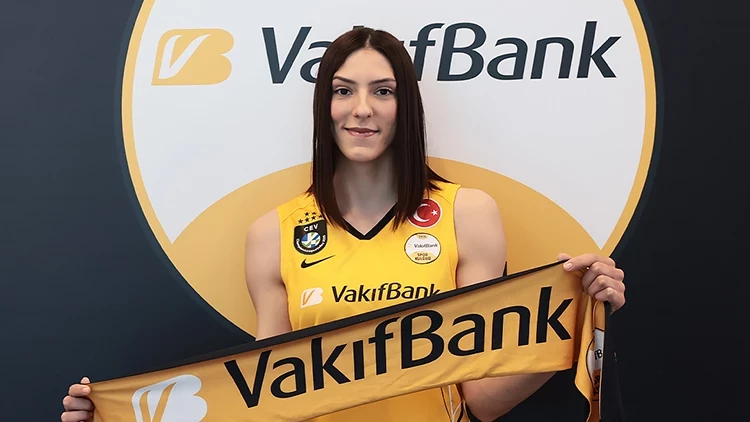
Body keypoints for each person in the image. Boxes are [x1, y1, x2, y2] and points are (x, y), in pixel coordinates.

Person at [61, 27, 626, 422]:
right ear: (324, 106)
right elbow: (267, 401)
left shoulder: (467, 213)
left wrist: (573, 318)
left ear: (405, 107)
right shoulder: (273, 233)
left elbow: (482, 399)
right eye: (343, 90)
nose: (362, 109)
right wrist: (115, 416)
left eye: (383, 91)